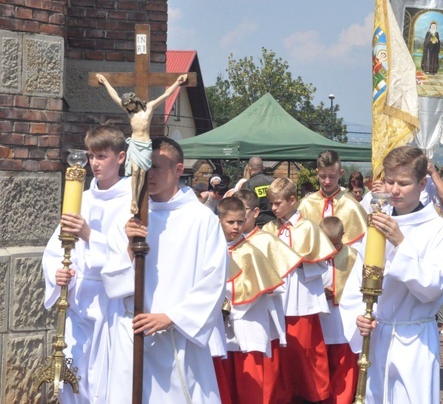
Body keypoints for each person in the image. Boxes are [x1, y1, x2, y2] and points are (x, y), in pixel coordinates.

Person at [102, 136, 227, 403]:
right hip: (132, 332)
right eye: (145, 168)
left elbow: (215, 280)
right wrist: (128, 245)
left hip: (177, 335)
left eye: (157, 167)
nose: (149, 175)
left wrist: (171, 316)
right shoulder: (128, 217)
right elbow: (113, 281)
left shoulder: (202, 219)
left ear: (178, 170)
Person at [339, 146, 443, 404]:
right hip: (379, 335)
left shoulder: (438, 230)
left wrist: (401, 244)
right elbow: (358, 282)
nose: (393, 190)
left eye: (403, 183)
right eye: (389, 181)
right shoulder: (377, 223)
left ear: (423, 183)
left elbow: (432, 288)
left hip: (414, 339)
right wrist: (359, 316)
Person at [42, 125, 131, 404]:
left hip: (111, 299)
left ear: (121, 157)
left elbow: (130, 254)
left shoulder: (132, 201)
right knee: (74, 366)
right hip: (78, 299)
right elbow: (56, 247)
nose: (94, 163)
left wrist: (90, 235)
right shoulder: (81, 197)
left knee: (105, 374)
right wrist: (57, 272)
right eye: (91, 156)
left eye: (102, 156)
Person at [262, 177, 337, 403]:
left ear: (292, 200)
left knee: (305, 351)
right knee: (281, 353)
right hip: (277, 298)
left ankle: (313, 394)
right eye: (271, 204)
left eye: (278, 203)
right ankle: (282, 395)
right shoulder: (268, 228)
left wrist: (300, 260)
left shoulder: (308, 228)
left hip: (300, 298)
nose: (273, 209)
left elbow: (322, 263)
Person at [216, 197, 287, 404]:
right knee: (225, 386)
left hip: (248, 326)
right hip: (224, 330)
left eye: (240, 221)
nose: (236, 227)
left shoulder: (251, 252)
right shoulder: (214, 250)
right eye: (231, 222)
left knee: (251, 389)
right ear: (219, 220)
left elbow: (270, 288)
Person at [96, 72, 187, 214]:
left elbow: (165, 96)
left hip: (144, 145)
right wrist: (105, 82)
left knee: (142, 174)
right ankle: (134, 200)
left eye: (130, 104)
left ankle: (138, 198)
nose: (129, 107)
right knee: (135, 172)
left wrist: (177, 83)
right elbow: (115, 96)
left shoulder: (148, 109)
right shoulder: (130, 113)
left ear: (135, 101)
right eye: (126, 106)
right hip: (134, 144)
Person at [319, 216, 360, 404]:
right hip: (320, 317)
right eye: (329, 244)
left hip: (344, 317)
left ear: (343, 236)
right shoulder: (313, 255)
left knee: (345, 361)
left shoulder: (353, 255)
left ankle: (342, 399)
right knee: (321, 363)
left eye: (336, 244)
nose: (333, 249)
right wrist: (319, 293)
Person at [297, 150, 369, 246]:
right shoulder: (304, 205)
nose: (327, 181)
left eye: (332, 176)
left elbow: (359, 246)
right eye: (323, 176)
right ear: (317, 173)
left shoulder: (352, 207)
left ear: (341, 173)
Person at [240, 156, 276, 227]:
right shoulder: (273, 182)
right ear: (262, 168)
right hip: (274, 223)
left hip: (256, 224)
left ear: (249, 169)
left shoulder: (248, 185)